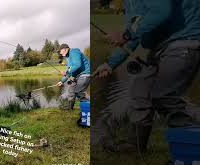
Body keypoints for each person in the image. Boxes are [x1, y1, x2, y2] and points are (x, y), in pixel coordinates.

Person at [94, 0, 200, 152]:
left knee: (164, 96)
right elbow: (137, 34)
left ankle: (191, 145)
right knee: (140, 90)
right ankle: (135, 146)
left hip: (184, 40)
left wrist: (125, 34)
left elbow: (161, 11)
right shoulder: (129, 3)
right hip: (161, 49)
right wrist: (109, 64)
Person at [56, 44, 91, 110]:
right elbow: (70, 72)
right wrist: (62, 81)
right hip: (77, 75)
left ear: (65, 49)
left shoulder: (74, 52)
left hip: (85, 73)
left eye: (60, 51)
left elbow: (77, 65)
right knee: (71, 89)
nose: (60, 53)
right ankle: (69, 108)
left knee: (79, 92)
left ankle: (88, 109)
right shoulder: (68, 58)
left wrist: (67, 72)